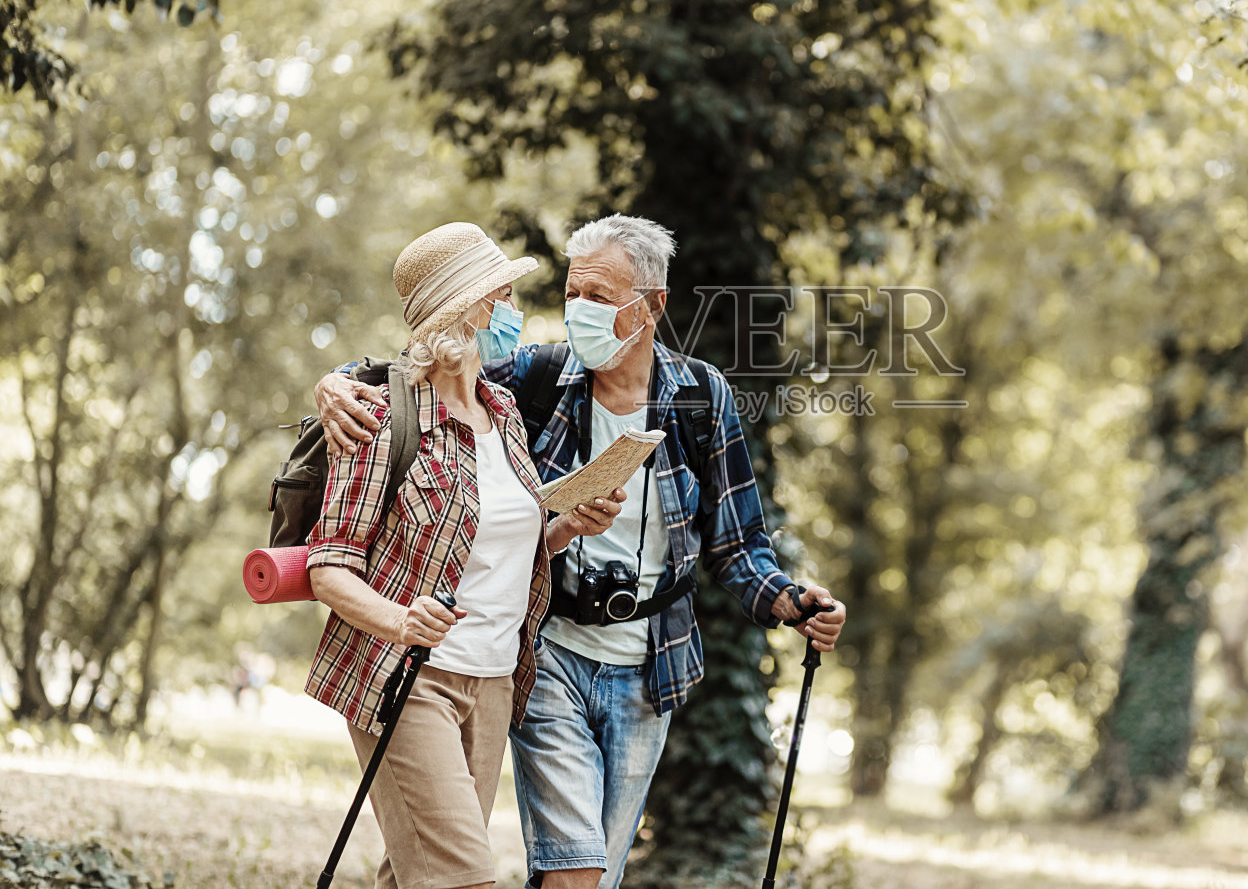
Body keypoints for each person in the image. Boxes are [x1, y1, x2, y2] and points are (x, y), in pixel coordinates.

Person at [315, 214, 848, 889]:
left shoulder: (692, 397)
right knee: (564, 870)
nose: (574, 310)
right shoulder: (532, 378)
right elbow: (410, 362)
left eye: (598, 296)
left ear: (651, 305)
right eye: (572, 292)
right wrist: (331, 382)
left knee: (573, 877)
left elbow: (736, 542)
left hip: (644, 663)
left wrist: (791, 602)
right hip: (546, 651)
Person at [303, 221, 624, 889]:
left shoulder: (502, 409)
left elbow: (496, 548)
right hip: (408, 677)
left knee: (416, 875)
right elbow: (328, 564)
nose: (513, 312)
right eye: (501, 296)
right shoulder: (382, 416)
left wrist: (566, 526)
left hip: (494, 680)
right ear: (465, 310)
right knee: (465, 879)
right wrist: (400, 621)